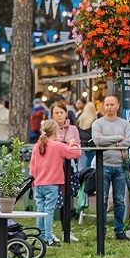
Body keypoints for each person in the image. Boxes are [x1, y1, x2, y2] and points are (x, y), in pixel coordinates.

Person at [30, 119, 81, 247]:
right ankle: (49, 237)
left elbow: (32, 165)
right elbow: (76, 153)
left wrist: (33, 180)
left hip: (38, 183)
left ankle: (40, 236)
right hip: (52, 184)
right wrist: (73, 144)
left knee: (40, 210)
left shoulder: (37, 146)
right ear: (55, 131)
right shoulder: (58, 146)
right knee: (49, 211)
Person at [91, 95, 130, 241]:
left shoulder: (125, 124)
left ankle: (119, 230)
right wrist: (118, 138)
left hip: (120, 167)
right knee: (102, 200)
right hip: (103, 165)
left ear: (118, 106)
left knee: (119, 199)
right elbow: (97, 141)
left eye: (112, 104)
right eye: (107, 104)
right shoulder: (98, 123)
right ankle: (101, 230)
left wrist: (107, 140)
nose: (109, 107)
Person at [50, 101, 81, 242]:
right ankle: (48, 232)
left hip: (70, 168)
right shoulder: (49, 128)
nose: (59, 115)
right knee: (52, 200)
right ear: (52, 115)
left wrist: (65, 144)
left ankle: (66, 230)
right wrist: (66, 144)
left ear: (66, 113)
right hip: (54, 168)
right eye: (56, 113)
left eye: (61, 112)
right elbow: (50, 145)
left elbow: (77, 146)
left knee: (68, 199)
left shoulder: (73, 128)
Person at [77, 102, 98, 168]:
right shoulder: (95, 120)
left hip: (82, 143)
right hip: (91, 145)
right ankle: (87, 175)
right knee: (90, 162)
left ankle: (81, 175)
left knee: (82, 162)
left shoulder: (80, 118)